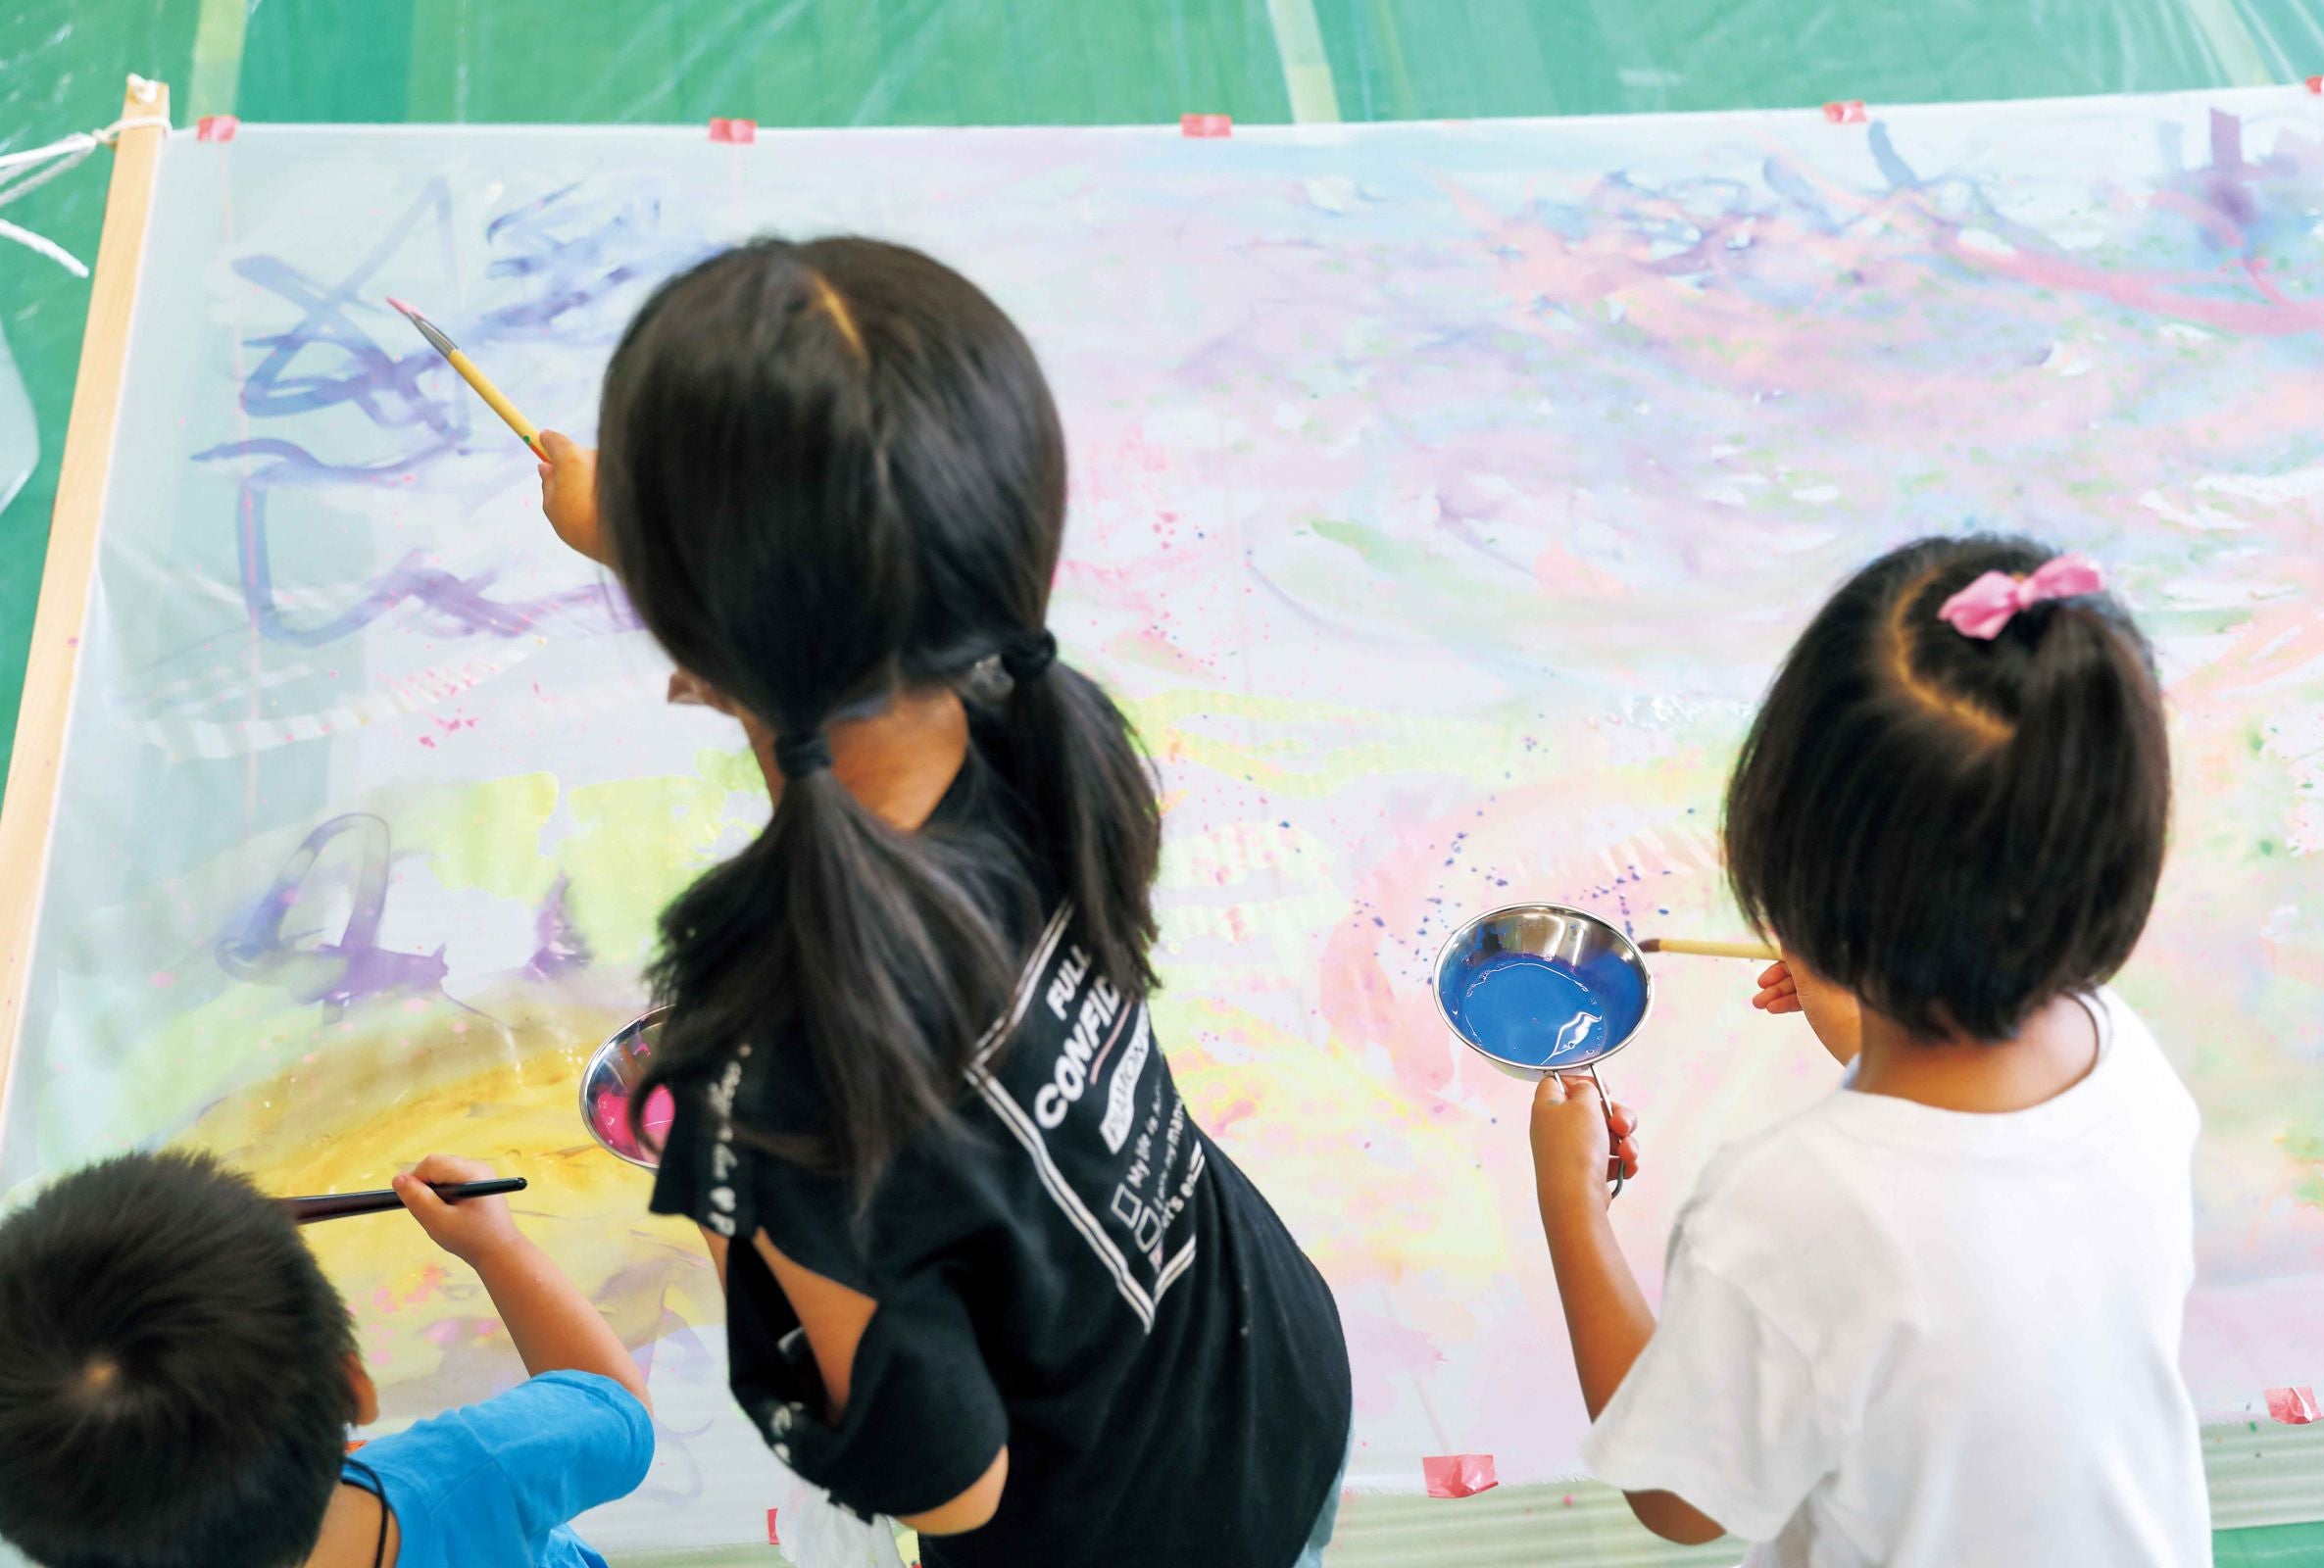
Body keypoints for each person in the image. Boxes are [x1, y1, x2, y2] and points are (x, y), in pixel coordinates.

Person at [534, 236, 1351, 1568]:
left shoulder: (783, 1078)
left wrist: (736, 1204)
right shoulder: (1040, 730)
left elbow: (948, 1487)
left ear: (704, 644)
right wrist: (664, 565)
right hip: (1267, 1366)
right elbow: (834, 698)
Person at [1527, 536, 2208, 1566]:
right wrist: (1856, 1013)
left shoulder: (1789, 1207)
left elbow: (1679, 1499)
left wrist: (1570, 1205)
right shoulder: (2122, 1055)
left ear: (1787, 848)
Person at [0, 1151, 654, 1568]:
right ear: (355, 1384)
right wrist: (497, 1247)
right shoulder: (474, 1472)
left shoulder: (90, 1520)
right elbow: (614, 1404)